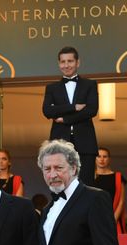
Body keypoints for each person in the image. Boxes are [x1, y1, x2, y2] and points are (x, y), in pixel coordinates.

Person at [42, 46, 98, 185]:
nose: (66, 65)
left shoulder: (90, 84)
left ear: (77, 63)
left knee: (86, 184)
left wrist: (65, 119)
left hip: (85, 142)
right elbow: (47, 111)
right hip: (59, 142)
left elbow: (91, 110)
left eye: (70, 61)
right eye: (63, 62)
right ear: (59, 64)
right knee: (59, 183)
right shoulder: (52, 88)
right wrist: (74, 107)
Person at [93, 147, 125, 233]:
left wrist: (113, 220)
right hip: (94, 218)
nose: (102, 159)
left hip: (113, 217)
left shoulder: (118, 177)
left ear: (109, 159)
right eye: (99, 156)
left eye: (105, 156)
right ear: (95, 158)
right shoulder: (89, 177)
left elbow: (121, 202)